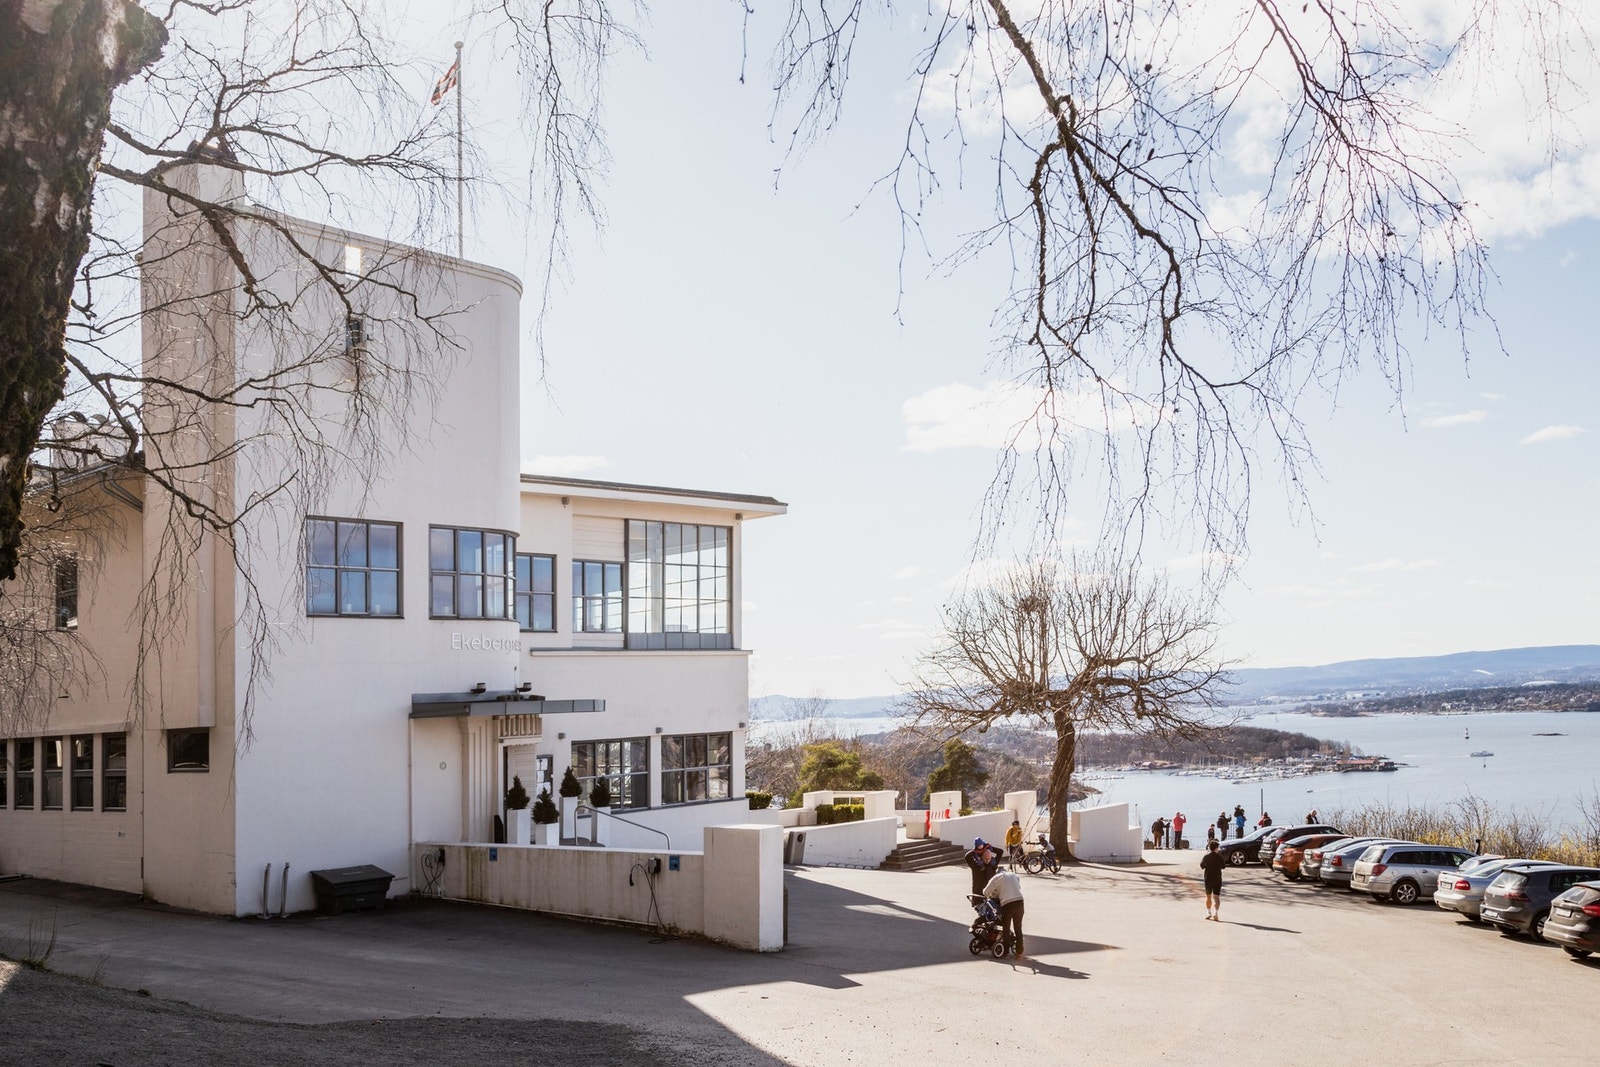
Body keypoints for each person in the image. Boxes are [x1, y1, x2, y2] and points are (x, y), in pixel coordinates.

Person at [982, 865, 1026, 956]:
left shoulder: (996, 877)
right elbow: (1016, 887)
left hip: (1007, 904)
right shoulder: (1014, 875)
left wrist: (993, 894)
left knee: (1006, 928)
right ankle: (1019, 952)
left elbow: (985, 892)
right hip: (1020, 902)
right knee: (1018, 928)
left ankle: (1005, 951)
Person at [1199, 839, 1227, 920]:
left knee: (1208, 897)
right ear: (1216, 848)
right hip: (1217, 879)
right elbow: (1223, 867)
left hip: (1208, 879)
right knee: (1216, 897)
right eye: (1218, 848)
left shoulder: (1206, 857)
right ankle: (1216, 913)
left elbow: (1202, 866)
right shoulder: (1219, 857)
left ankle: (1208, 912)